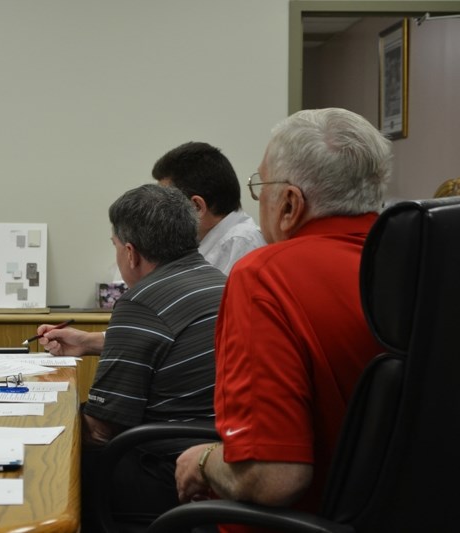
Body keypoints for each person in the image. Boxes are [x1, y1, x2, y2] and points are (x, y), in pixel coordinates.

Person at [174, 108, 392, 531]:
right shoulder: (424, 264)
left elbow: (272, 476)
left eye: (261, 187)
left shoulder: (265, 276)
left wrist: (202, 460)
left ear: (290, 203)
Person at [38, 184, 226, 529]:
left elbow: (101, 430)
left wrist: (37, 421)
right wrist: (90, 342)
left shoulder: (142, 303)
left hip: (167, 470)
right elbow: (170, 344)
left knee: (51, 473)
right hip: (220, 459)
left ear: (130, 252)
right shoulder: (218, 281)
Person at [152, 141, 266, 274]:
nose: (160, 217)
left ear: (197, 207)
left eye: (166, 206)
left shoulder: (242, 244)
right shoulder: (205, 242)